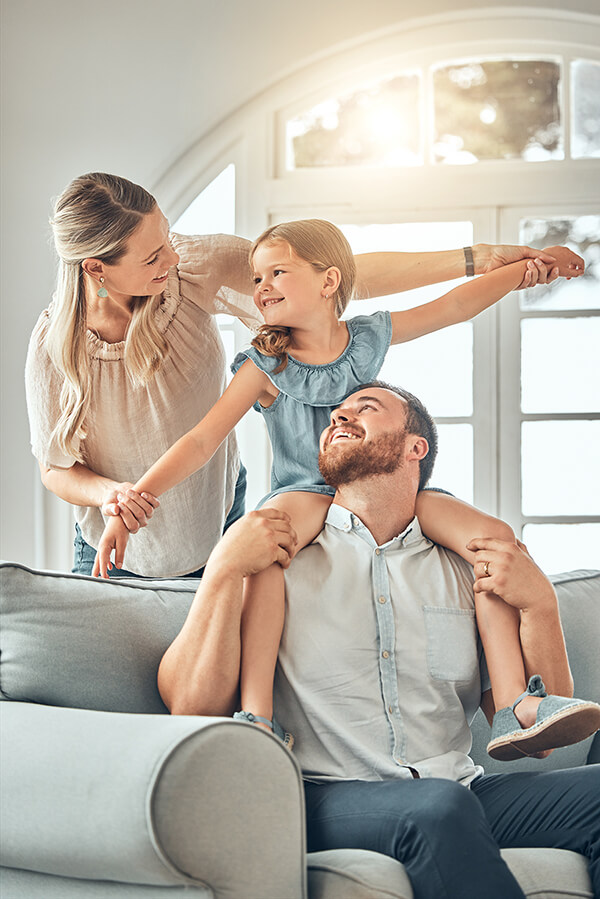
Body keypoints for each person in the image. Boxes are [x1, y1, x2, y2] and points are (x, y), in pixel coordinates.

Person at [95, 218, 589, 760]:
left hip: (370, 481)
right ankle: (257, 714)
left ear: (329, 281)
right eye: (256, 278)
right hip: (302, 490)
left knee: (489, 540)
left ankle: (515, 705)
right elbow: (201, 439)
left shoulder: (367, 338)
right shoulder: (266, 366)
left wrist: (524, 271)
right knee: (266, 554)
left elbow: (453, 307)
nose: (260, 287)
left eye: (276, 272)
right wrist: (132, 501)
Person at [157, 383, 600, 899]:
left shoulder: (465, 566)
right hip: (323, 797)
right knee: (438, 808)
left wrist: (540, 604)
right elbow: (190, 708)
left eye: (364, 408)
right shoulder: (279, 554)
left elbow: (534, 736)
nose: (340, 418)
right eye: (336, 414)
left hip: (460, 790)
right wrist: (222, 569)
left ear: (416, 447)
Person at [25, 172, 584, 579]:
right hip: (122, 541)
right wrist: (122, 500)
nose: (170, 258)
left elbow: (343, 278)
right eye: (151, 257)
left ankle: (524, 698)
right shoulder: (57, 348)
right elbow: (64, 467)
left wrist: (488, 260)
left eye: (167, 238)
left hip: (215, 514)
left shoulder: (192, 269)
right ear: (96, 268)